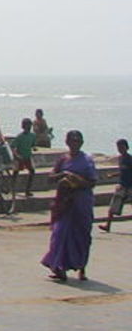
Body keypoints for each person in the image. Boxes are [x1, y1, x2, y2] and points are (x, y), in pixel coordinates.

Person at [42, 130, 97, 281]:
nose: (75, 144)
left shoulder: (87, 160)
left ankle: (82, 267)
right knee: (59, 234)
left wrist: (77, 180)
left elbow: (92, 182)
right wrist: (63, 175)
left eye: (78, 141)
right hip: (64, 204)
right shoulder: (63, 160)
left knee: (82, 236)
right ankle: (59, 267)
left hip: (81, 202)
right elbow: (50, 178)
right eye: (72, 141)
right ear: (67, 142)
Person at [98, 138, 130, 233]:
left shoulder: (129, 159)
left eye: (122, 147)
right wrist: (112, 175)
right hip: (122, 185)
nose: (120, 149)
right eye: (118, 147)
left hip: (129, 186)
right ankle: (108, 225)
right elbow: (122, 171)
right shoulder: (121, 159)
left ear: (127, 147)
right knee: (113, 206)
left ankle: (108, 225)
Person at [11, 117, 37, 198]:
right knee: (15, 173)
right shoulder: (19, 136)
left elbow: (33, 144)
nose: (28, 128)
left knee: (32, 171)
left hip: (27, 156)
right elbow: (12, 147)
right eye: (26, 126)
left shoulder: (33, 135)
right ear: (23, 127)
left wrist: (34, 148)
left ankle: (27, 190)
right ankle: (12, 189)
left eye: (29, 126)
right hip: (20, 157)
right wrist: (16, 155)